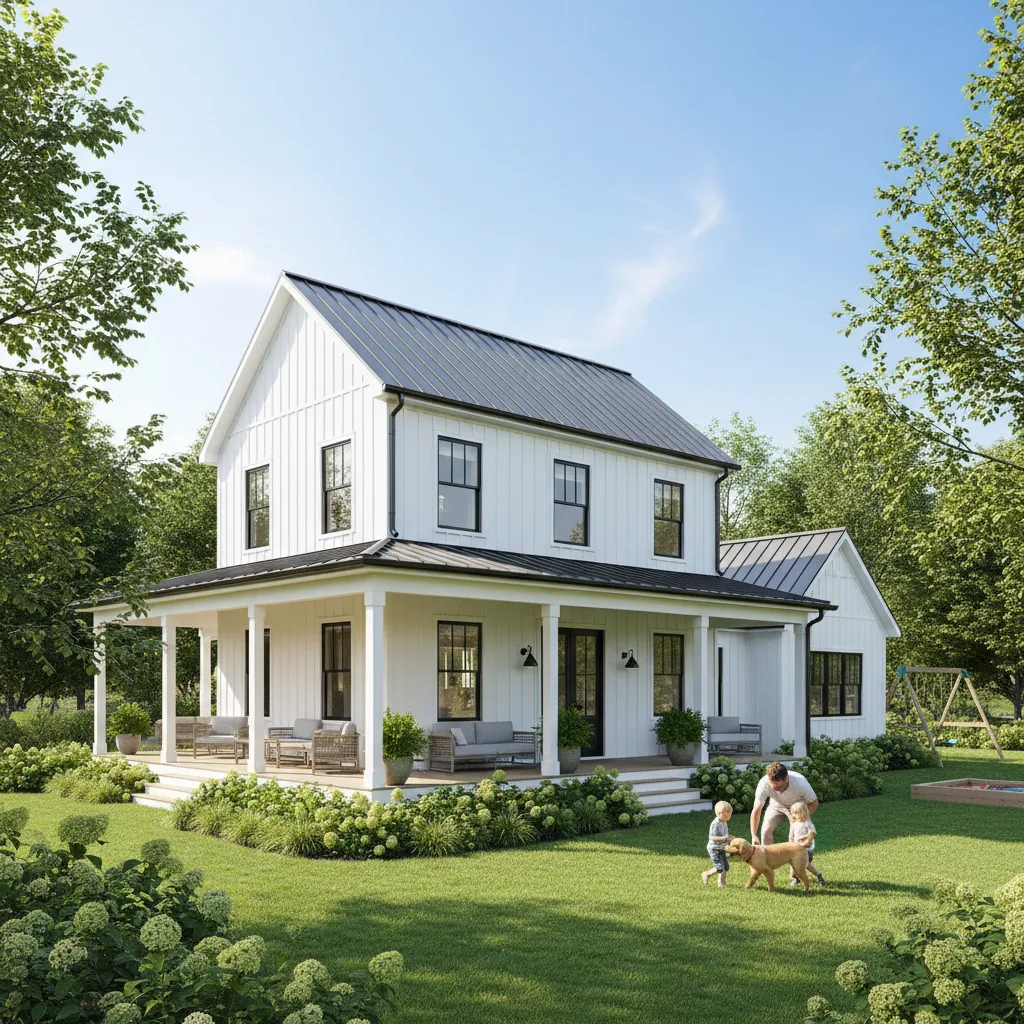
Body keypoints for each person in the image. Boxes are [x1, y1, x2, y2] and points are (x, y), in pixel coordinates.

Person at [749, 761, 818, 846]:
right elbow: (757, 810)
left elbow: (814, 802)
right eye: (774, 786)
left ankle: (795, 857)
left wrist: (802, 817)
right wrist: (754, 835)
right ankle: (768, 857)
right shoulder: (764, 783)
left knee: (795, 835)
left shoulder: (800, 782)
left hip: (796, 807)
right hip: (775, 805)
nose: (777, 789)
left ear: (786, 779)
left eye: (779, 786)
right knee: (765, 832)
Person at [788, 800, 824, 887]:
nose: (795, 815)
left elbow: (813, 832)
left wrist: (806, 838)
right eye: (793, 813)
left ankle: (819, 876)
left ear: (804, 813)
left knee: (806, 865)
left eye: (797, 813)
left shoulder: (807, 823)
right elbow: (791, 836)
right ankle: (795, 878)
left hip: (806, 849)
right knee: (793, 865)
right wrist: (790, 844)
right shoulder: (794, 824)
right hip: (796, 849)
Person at [702, 800, 733, 888]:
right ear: (721, 813)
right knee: (720, 868)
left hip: (721, 847)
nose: (730, 816)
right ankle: (709, 876)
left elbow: (725, 835)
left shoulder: (724, 822)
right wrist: (724, 838)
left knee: (725, 867)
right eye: (728, 814)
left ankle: (717, 881)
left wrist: (729, 839)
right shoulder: (715, 824)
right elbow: (712, 837)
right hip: (714, 848)